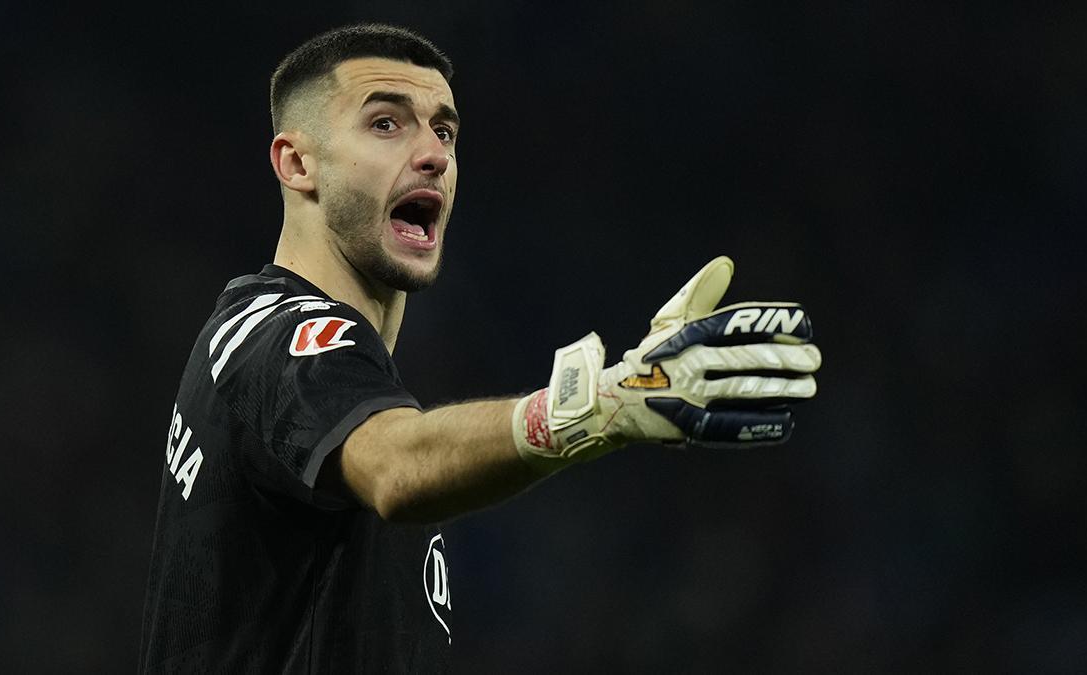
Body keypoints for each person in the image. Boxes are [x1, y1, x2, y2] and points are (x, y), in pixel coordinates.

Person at [139, 23, 822, 674]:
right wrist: (591, 409)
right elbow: (398, 466)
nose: (434, 153)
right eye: (386, 123)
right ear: (297, 163)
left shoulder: (287, 356)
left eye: (445, 129)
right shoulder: (279, 333)